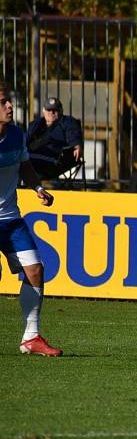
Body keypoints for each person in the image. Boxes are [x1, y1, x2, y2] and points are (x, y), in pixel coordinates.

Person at [0, 81, 62, 356]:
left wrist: (37, 188)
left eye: (8, 100)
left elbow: (24, 165)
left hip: (11, 220)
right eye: (3, 101)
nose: (9, 105)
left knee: (35, 270)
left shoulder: (16, 134)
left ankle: (31, 337)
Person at [26, 96, 83, 181]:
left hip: (54, 159)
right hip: (32, 156)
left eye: (55, 110)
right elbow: (25, 139)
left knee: (22, 159)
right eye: (49, 110)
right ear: (43, 111)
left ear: (61, 110)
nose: (51, 112)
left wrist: (76, 145)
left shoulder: (67, 122)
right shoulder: (36, 124)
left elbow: (73, 133)